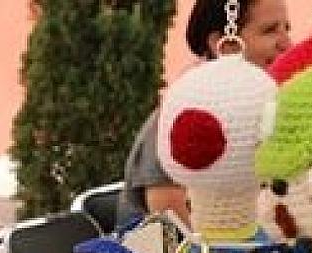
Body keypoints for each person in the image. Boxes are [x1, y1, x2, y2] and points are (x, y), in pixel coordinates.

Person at [117, 0, 293, 227]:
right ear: (225, 44)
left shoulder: (266, 115)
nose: (288, 44)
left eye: (286, 29)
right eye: (269, 30)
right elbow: (175, 225)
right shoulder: (180, 119)